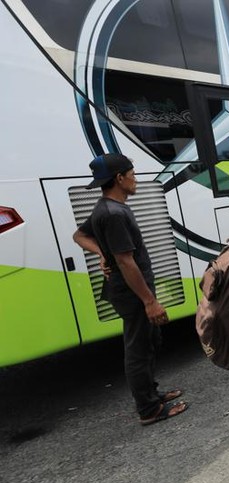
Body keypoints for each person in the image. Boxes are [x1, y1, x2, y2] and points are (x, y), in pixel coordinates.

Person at [72, 154, 187, 426]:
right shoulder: (112, 214)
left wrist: (101, 252)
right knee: (138, 350)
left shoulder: (109, 207)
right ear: (119, 178)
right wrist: (149, 301)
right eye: (132, 173)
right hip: (132, 293)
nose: (136, 179)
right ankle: (149, 409)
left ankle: (152, 394)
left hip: (131, 291)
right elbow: (125, 261)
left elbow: (80, 236)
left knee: (148, 343)